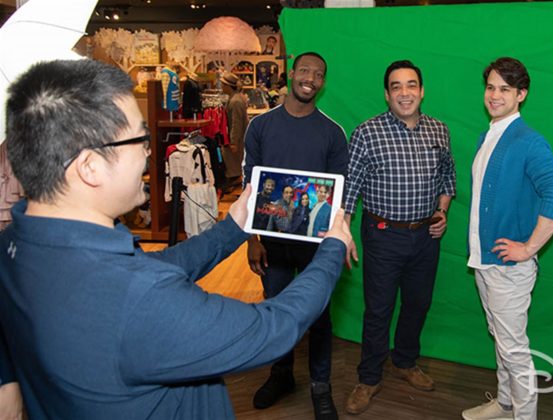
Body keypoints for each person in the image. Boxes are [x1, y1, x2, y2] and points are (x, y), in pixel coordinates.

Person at [0, 59, 353, 420]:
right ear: (90, 166)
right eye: (140, 139)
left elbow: (158, 265)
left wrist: (233, 227)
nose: (149, 151)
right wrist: (332, 250)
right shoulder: (144, 298)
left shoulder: (14, 247)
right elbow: (271, 329)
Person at [343, 59, 456, 415]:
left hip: (425, 236)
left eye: (411, 85)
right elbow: (350, 188)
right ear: (387, 94)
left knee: (418, 303)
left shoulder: (439, 131)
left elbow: (448, 177)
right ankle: (369, 378)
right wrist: (343, 230)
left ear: (422, 91)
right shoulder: (366, 133)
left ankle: (405, 362)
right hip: (382, 236)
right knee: (378, 309)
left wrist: (442, 212)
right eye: (396, 87)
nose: (404, 93)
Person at [461, 57, 553, 420]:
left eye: (504, 89)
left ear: (521, 94)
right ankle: (505, 404)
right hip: (485, 260)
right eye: (490, 87)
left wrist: (529, 247)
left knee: (514, 349)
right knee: (501, 338)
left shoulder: (529, 141)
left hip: (508, 268)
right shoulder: (488, 135)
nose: (495, 95)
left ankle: (524, 416)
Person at [244, 51, 348, 420]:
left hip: (316, 246)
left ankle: (321, 385)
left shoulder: (333, 133)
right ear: (291, 74)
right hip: (272, 241)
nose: (310, 79)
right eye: (304, 70)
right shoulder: (260, 126)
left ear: (323, 82)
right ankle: (281, 375)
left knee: (319, 315)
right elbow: (250, 187)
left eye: (318, 74)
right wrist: (252, 239)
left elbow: (339, 195)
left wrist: (336, 242)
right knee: (277, 310)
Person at [220, 72, 249, 183]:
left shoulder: (235, 101)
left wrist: (233, 142)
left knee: (233, 160)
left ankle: (236, 180)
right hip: (239, 136)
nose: (222, 87)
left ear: (228, 86)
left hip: (239, 137)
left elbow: (236, 123)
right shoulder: (235, 98)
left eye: (223, 85)